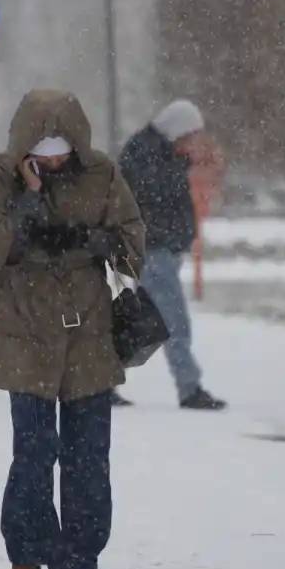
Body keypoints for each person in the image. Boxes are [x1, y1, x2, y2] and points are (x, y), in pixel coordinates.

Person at [0, 89, 145, 569]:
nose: (52, 162)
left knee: (89, 452)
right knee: (34, 448)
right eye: (41, 154)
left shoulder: (103, 176)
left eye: (61, 152)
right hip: (22, 332)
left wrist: (96, 241)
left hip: (87, 331)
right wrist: (27, 203)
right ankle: (26, 550)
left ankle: (77, 559)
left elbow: (133, 245)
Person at [117, 99, 227, 410]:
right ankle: (189, 388)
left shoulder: (155, 153)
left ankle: (100, 384)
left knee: (139, 323)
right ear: (178, 132)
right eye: (191, 136)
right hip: (151, 252)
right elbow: (154, 199)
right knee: (173, 322)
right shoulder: (150, 156)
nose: (195, 143)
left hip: (151, 250)